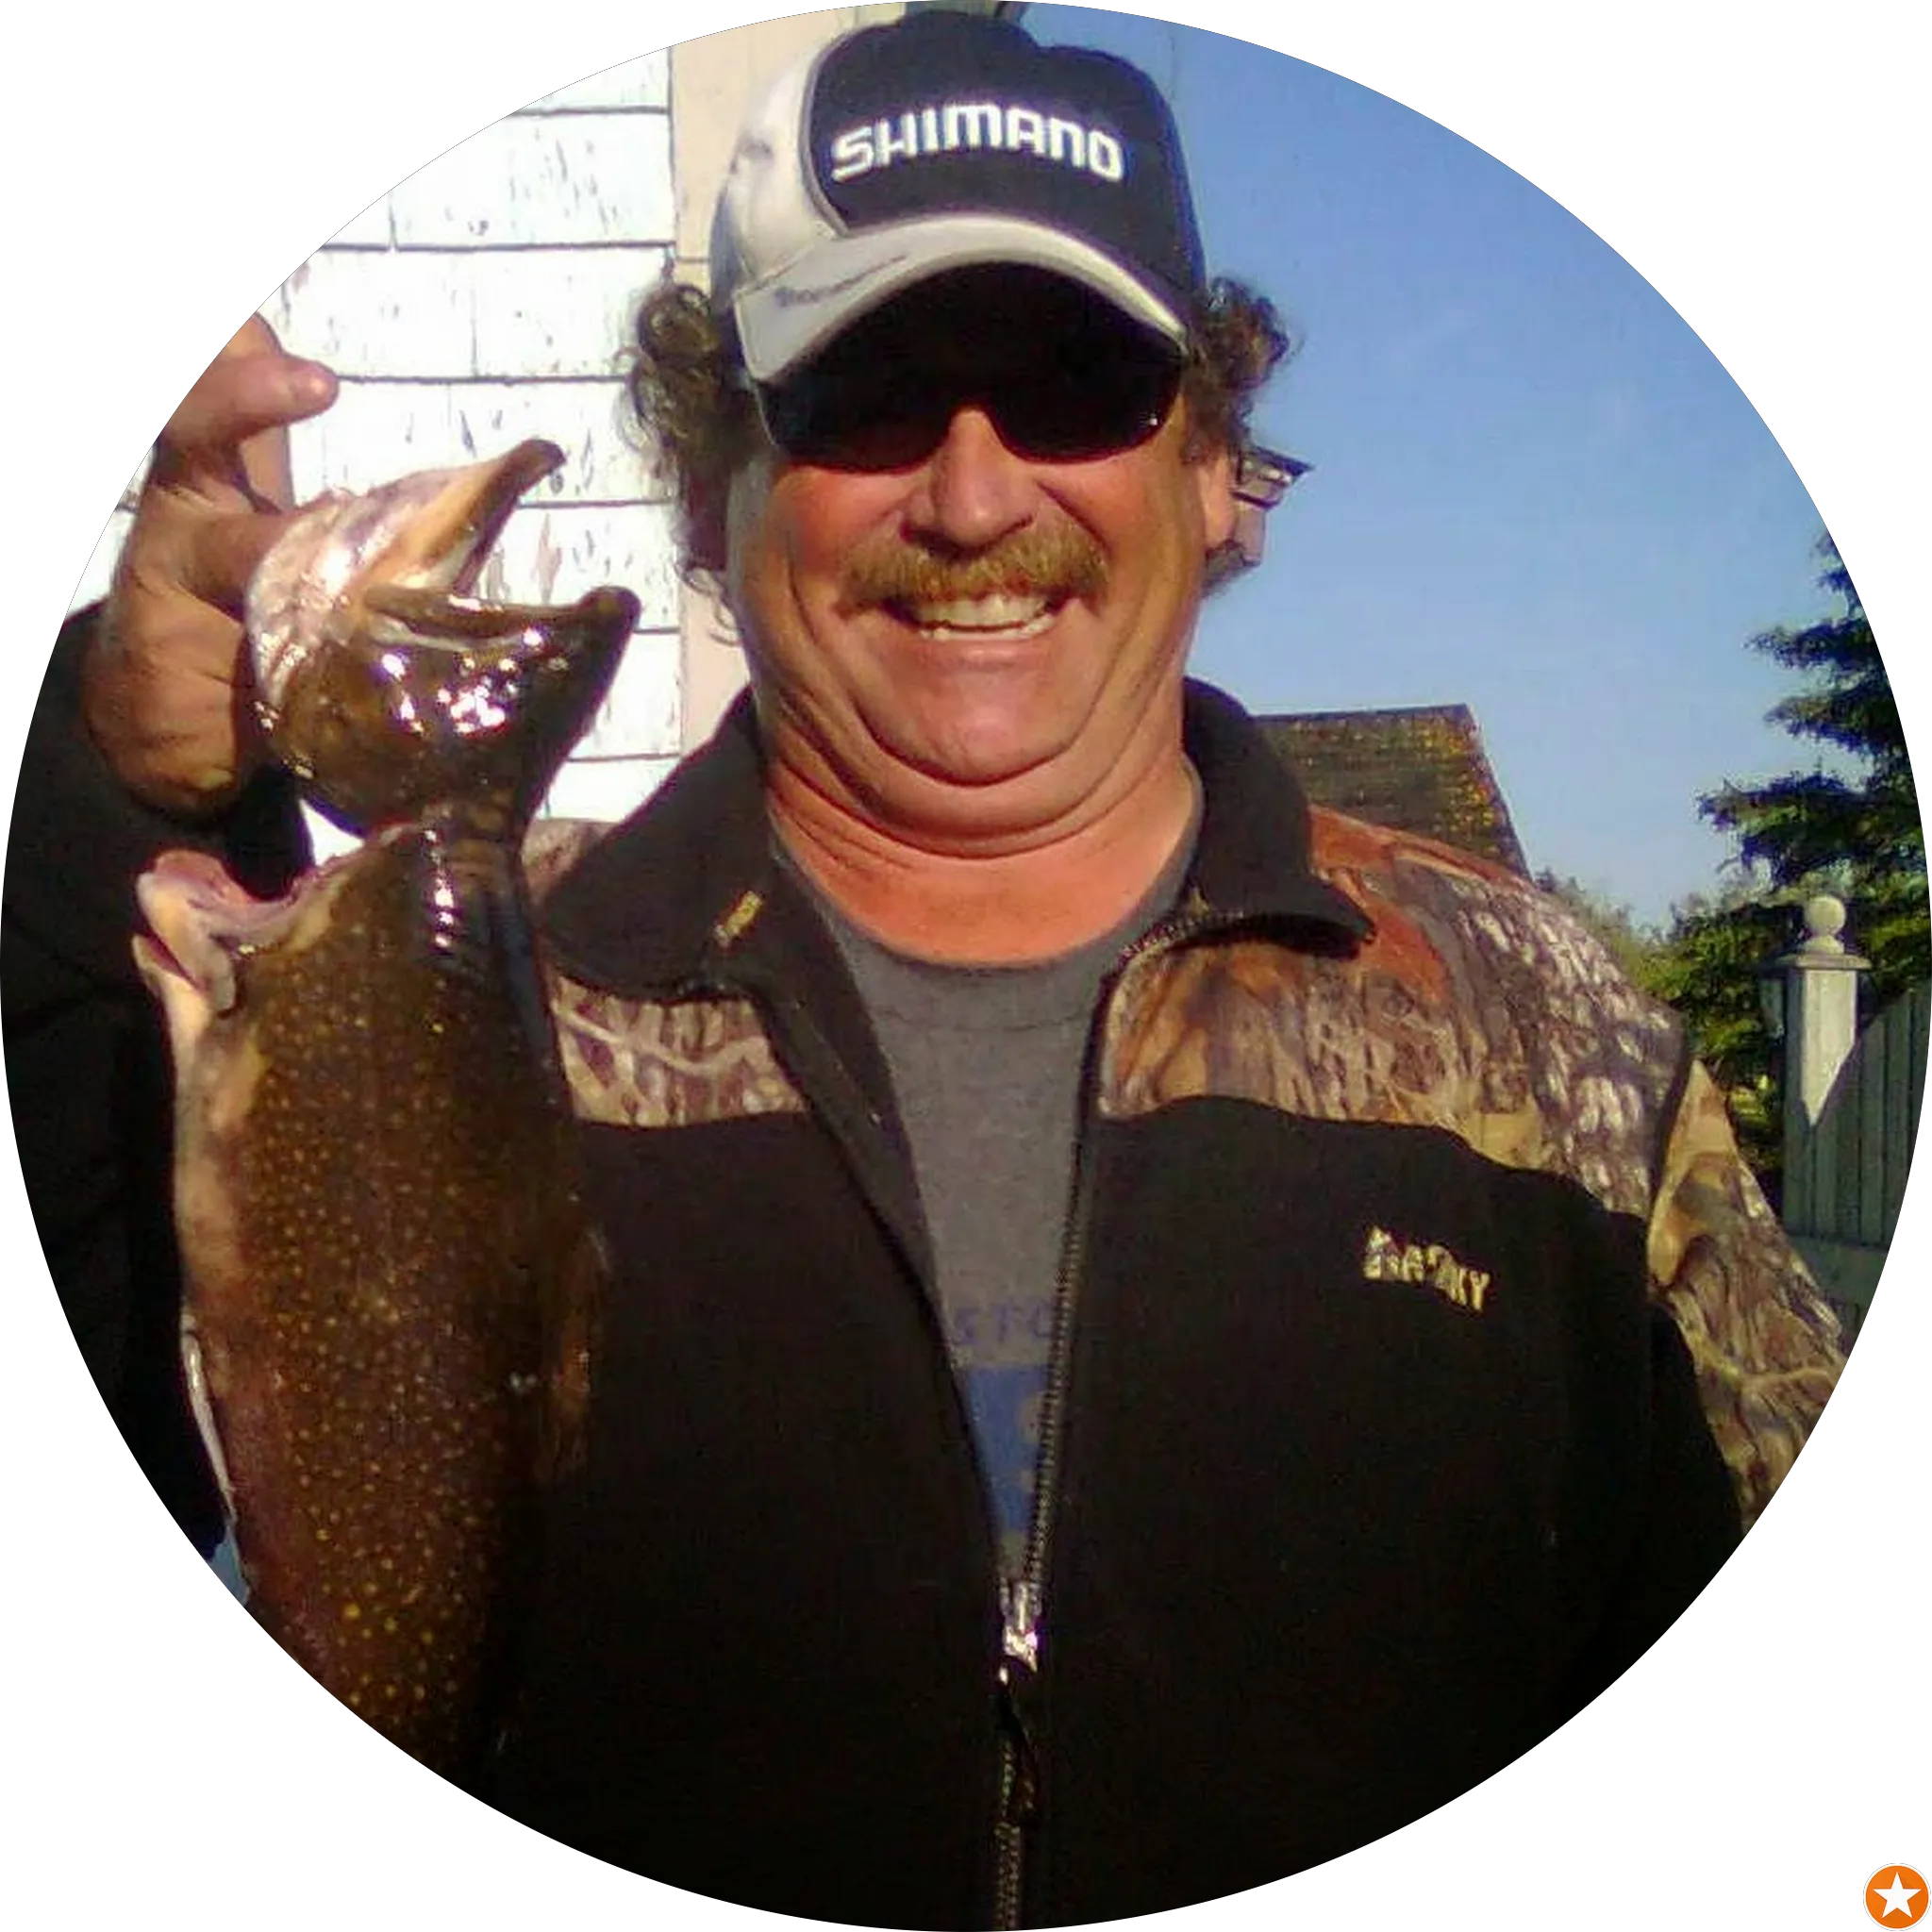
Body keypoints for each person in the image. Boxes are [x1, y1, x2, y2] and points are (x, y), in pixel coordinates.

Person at [5, 11, 1848, 1927]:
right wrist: (110, 785)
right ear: (715, 478)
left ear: (1210, 466)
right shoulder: (456, 992)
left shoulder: (1548, 1034)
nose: (973, 498)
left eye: (1074, 381)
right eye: (866, 387)